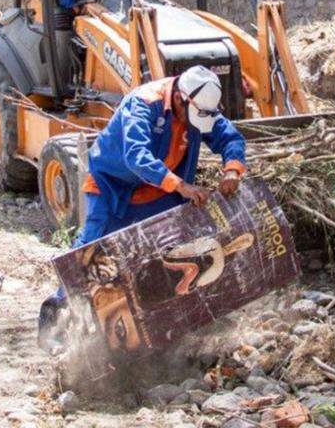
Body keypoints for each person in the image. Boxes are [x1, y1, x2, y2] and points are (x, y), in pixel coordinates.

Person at [38, 65, 247, 347]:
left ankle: (171, 327)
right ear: (179, 99)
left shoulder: (201, 105)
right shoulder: (144, 103)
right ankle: (56, 319)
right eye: (190, 117)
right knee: (89, 253)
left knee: (167, 256)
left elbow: (230, 138)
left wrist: (232, 170)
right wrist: (182, 186)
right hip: (114, 188)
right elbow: (136, 156)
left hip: (161, 193)